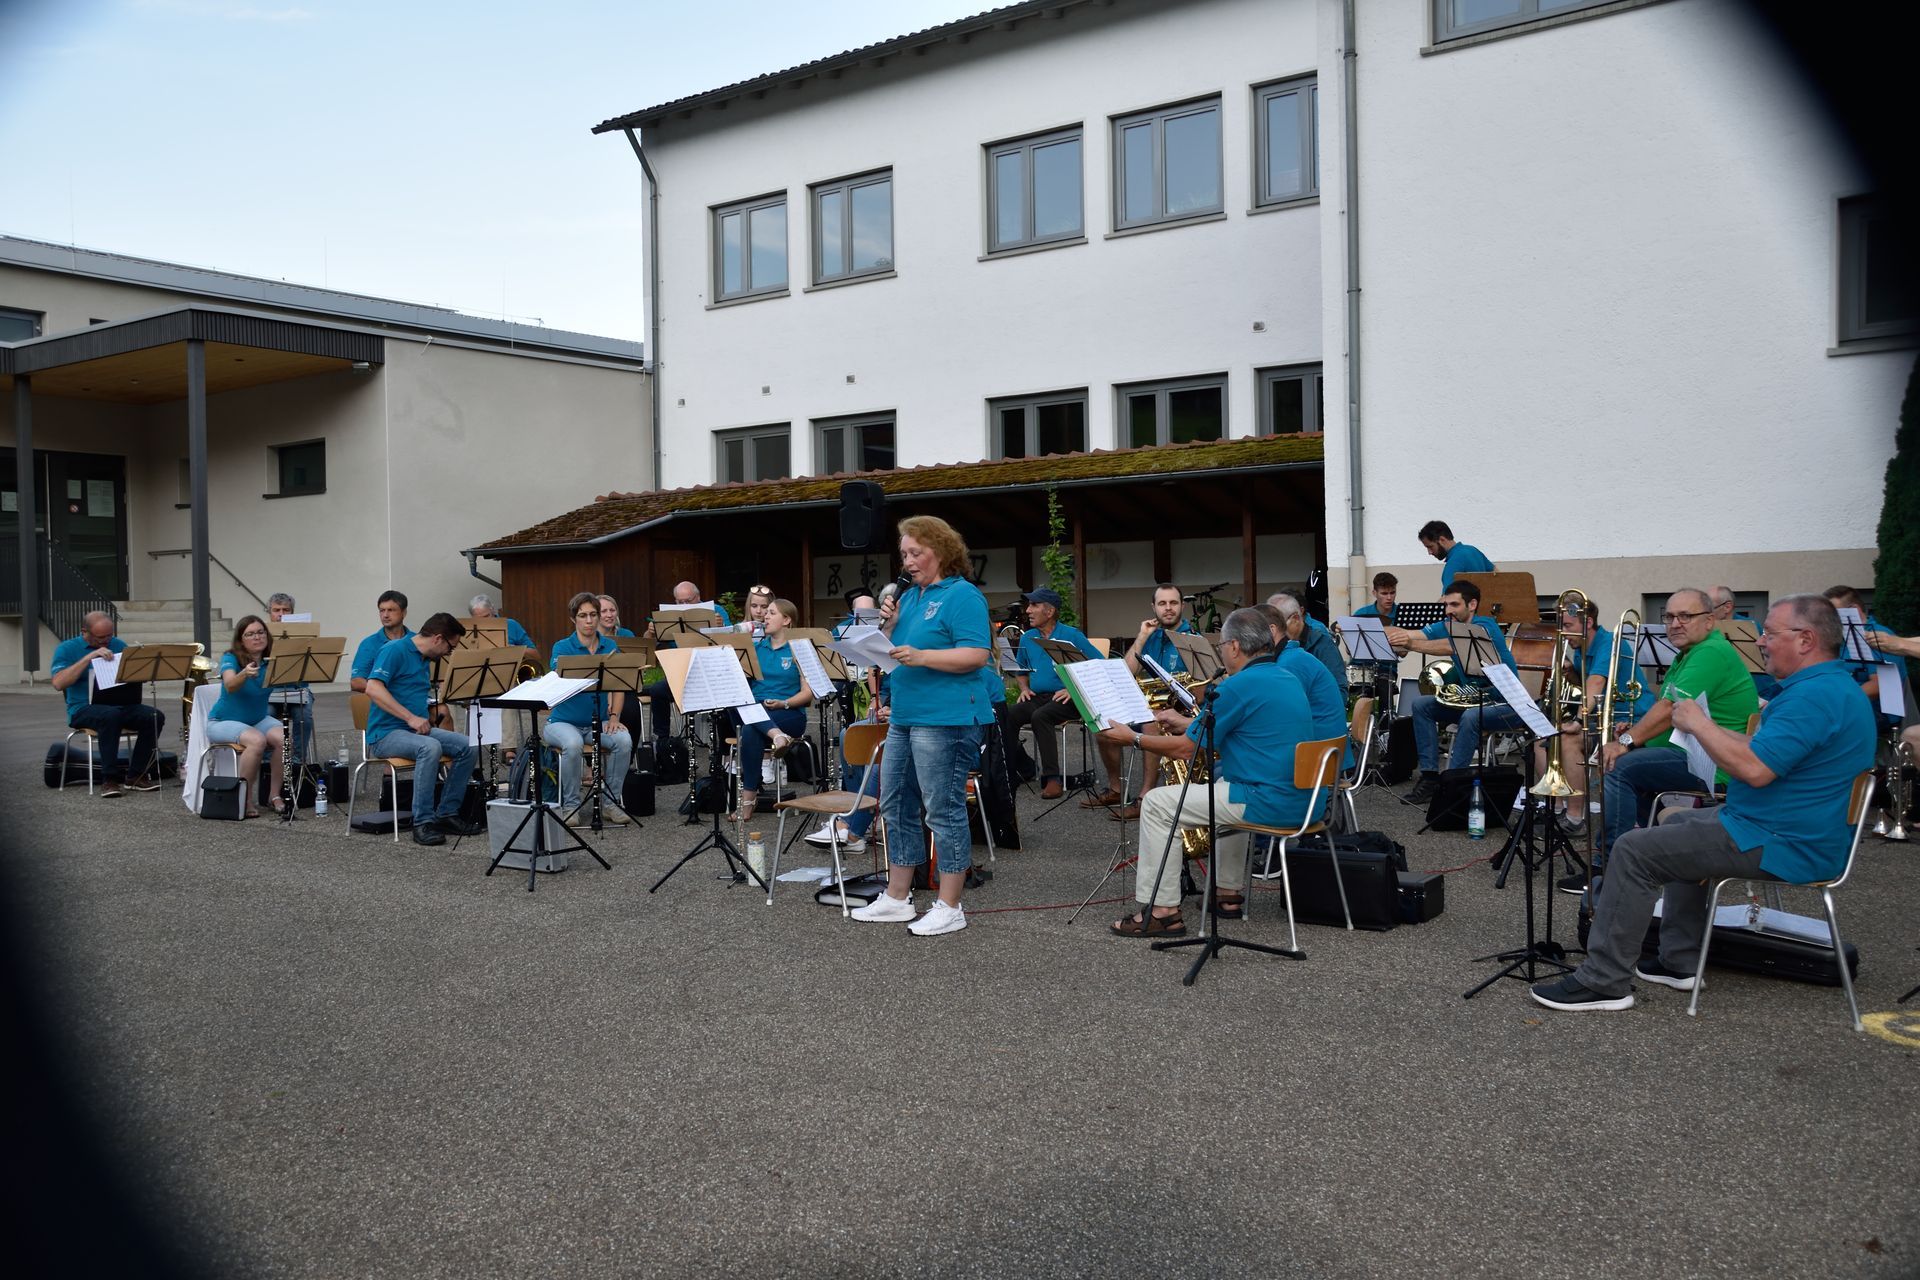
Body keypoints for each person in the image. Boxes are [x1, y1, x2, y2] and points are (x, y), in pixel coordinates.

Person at [1532, 594, 1876, 1012]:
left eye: (1770, 633)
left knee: (1634, 850)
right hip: (1778, 826)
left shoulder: (1813, 697)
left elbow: (1755, 769)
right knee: (1675, 825)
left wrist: (1698, 724)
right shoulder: (1828, 688)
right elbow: (1761, 750)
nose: (1760, 641)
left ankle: (1603, 981)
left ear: (1805, 640)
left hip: (1781, 840)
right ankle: (1679, 961)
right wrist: (1707, 727)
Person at [1097, 608, 1327, 937]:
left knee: (1157, 804)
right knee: (1223, 780)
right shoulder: (1285, 677)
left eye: (1221, 646)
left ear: (1234, 646)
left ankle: (1163, 912)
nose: (1221, 652)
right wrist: (1187, 723)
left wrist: (1131, 738)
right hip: (1307, 801)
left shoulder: (1239, 685)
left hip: (1269, 802)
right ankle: (1227, 894)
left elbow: (1186, 750)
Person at [849, 515, 994, 937]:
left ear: (941, 551)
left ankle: (950, 905)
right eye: (904, 554)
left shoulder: (963, 595)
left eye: (916, 553)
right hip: (906, 715)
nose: (908, 562)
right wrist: (889, 628)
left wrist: (923, 656)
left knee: (942, 809)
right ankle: (897, 897)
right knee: (894, 803)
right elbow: (892, 654)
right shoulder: (910, 598)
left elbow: (976, 655)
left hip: (946, 718)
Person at [1594, 588, 1760, 866]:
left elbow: (1668, 708)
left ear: (1709, 620)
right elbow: (1670, 712)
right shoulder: (1689, 654)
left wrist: (1626, 742)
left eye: (1685, 616)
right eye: (1669, 617)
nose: (1675, 624)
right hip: (1697, 753)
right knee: (1632, 766)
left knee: (1619, 767)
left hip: (1714, 764)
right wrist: (1634, 733)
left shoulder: (1710, 652)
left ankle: (1609, 864)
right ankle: (1659, 853)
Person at [1384, 578, 1517, 802]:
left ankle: (1452, 783)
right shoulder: (1449, 623)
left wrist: (1409, 644)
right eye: (1446, 605)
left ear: (1472, 605)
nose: (1448, 611)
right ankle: (1429, 777)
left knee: (1471, 716)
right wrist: (1364, 629)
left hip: (1506, 703)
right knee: (1421, 705)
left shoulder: (1485, 626)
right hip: (1473, 700)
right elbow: (1412, 632)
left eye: (1454, 605)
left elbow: (1449, 646)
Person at [364, 612, 479, 847]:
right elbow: (372, 688)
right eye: (450, 647)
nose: (449, 653)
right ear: (438, 639)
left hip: (413, 732)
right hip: (385, 733)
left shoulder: (424, 659)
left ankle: (446, 813)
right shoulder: (394, 650)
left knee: (468, 746)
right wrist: (411, 718)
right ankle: (423, 821)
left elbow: (411, 693)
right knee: (430, 747)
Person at [1089, 584, 1195, 818]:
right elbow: (1126, 672)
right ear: (1153, 607)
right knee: (1103, 726)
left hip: (1176, 712)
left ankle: (1145, 797)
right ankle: (1116, 789)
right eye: (1162, 603)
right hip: (1146, 706)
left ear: (1182, 606)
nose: (1168, 608)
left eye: (1173, 603)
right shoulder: (1151, 636)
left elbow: (1198, 690)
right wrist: (1142, 636)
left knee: (1151, 723)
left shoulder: (1191, 639)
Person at [49, 609, 165, 798]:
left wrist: (142, 671)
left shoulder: (118, 644)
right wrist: (89, 657)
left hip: (119, 704)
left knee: (153, 716)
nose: (106, 641)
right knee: (111, 716)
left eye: (109, 635)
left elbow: (131, 675)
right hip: (83, 708)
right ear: (84, 632)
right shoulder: (66, 649)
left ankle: (136, 775)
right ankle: (109, 779)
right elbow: (58, 683)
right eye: (100, 637)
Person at [1003, 587, 1102, 799]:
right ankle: (1017, 769)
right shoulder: (1028, 637)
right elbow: (1021, 669)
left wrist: (1073, 688)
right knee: (1008, 715)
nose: (1028, 610)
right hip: (1039, 697)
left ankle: (1052, 778)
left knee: (1041, 717)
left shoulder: (1071, 635)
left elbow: (1099, 664)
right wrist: (1024, 688)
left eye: (1034, 605)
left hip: (1070, 698)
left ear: (1049, 611)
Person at [544, 592, 633, 826]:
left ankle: (611, 804)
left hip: (598, 721)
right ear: (573, 619)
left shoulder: (609, 645)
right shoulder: (562, 647)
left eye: (593, 614)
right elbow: (557, 681)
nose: (589, 620)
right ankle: (571, 806)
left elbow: (619, 685)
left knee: (624, 741)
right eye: (583, 615)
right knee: (572, 744)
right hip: (562, 722)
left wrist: (614, 717)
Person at [807, 593, 886, 853]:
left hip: (906, 716)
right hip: (887, 706)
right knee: (847, 734)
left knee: (879, 759)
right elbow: (875, 670)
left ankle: (851, 827)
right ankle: (857, 807)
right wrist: (877, 700)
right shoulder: (846, 630)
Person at [732, 597, 813, 824]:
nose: (765, 616)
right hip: (756, 710)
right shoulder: (756, 649)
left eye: (772, 613)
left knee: (750, 728)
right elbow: (740, 687)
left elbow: (808, 694)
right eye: (765, 613)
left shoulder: (798, 650)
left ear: (786, 620)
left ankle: (748, 799)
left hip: (788, 712)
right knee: (748, 720)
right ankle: (777, 736)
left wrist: (783, 703)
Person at [205, 615, 286, 818]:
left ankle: (274, 795)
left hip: (257, 719)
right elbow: (230, 685)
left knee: (284, 738)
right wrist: (244, 673)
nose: (257, 637)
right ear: (241, 640)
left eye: (260, 632)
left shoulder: (273, 660)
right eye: (250, 634)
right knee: (257, 741)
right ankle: (245, 798)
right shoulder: (230, 657)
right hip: (222, 722)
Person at [641, 581, 731, 738]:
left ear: (698, 597)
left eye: (688, 601)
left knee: (729, 697)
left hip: (712, 672)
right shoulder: (669, 615)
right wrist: (650, 633)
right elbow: (647, 648)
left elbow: (731, 640)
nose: (684, 605)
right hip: (683, 674)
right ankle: (663, 741)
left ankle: (724, 745)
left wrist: (721, 625)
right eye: (679, 602)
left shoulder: (716, 611)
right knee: (657, 690)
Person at [266, 591, 315, 765]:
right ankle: (268, 762)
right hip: (269, 691)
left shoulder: (304, 634)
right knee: (266, 716)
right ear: (269, 613)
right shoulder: (261, 634)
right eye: (276, 610)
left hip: (297, 688)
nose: (281, 614)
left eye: (286, 610)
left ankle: (297, 762)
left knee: (304, 716)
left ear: (292, 613)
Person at [1268, 591, 1346, 694]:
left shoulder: (1323, 643)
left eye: (1279, 624)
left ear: (1295, 619)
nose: (1274, 632)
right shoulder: (1277, 643)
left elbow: (1340, 690)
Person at [350, 591, 410, 694]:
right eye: (382, 610)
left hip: (416, 698)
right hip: (387, 699)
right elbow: (356, 682)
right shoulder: (369, 643)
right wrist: (387, 694)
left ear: (404, 613)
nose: (385, 615)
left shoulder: (415, 640)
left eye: (391, 610)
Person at [1417, 520, 1494, 590]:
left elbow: (1447, 598)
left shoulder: (1454, 562)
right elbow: (1497, 574)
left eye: (1430, 547)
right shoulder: (1473, 550)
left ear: (1442, 540)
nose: (1429, 552)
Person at [468, 593, 534, 649]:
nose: (485, 621)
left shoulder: (511, 624)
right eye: (479, 619)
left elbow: (535, 654)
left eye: (486, 616)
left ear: (492, 610)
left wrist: (513, 649)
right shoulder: (467, 630)